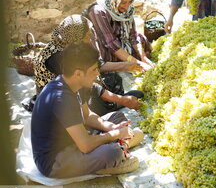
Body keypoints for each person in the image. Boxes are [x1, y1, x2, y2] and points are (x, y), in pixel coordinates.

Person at [31, 42, 141, 178]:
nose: (97, 73)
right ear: (78, 73)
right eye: (94, 70)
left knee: (117, 117)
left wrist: (112, 127)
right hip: (56, 160)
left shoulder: (73, 83)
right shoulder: (61, 98)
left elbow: (88, 116)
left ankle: (119, 145)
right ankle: (113, 156)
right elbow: (85, 145)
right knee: (112, 153)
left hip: (75, 139)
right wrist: (116, 133)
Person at [33, 15, 144, 116]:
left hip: (75, 87)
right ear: (76, 37)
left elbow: (97, 65)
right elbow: (86, 86)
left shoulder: (69, 46)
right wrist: (121, 100)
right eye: (86, 36)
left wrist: (126, 66)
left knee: (112, 78)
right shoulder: (58, 57)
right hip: (59, 102)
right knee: (90, 99)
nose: (89, 39)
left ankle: (114, 102)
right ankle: (111, 106)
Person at [84, 0, 154, 70]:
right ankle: (119, 64)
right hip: (105, 45)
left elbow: (133, 36)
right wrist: (134, 62)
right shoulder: (98, 11)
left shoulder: (128, 11)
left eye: (129, 2)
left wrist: (143, 58)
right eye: (123, 2)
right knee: (101, 56)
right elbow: (110, 42)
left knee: (141, 39)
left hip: (120, 43)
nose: (126, 6)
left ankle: (130, 60)